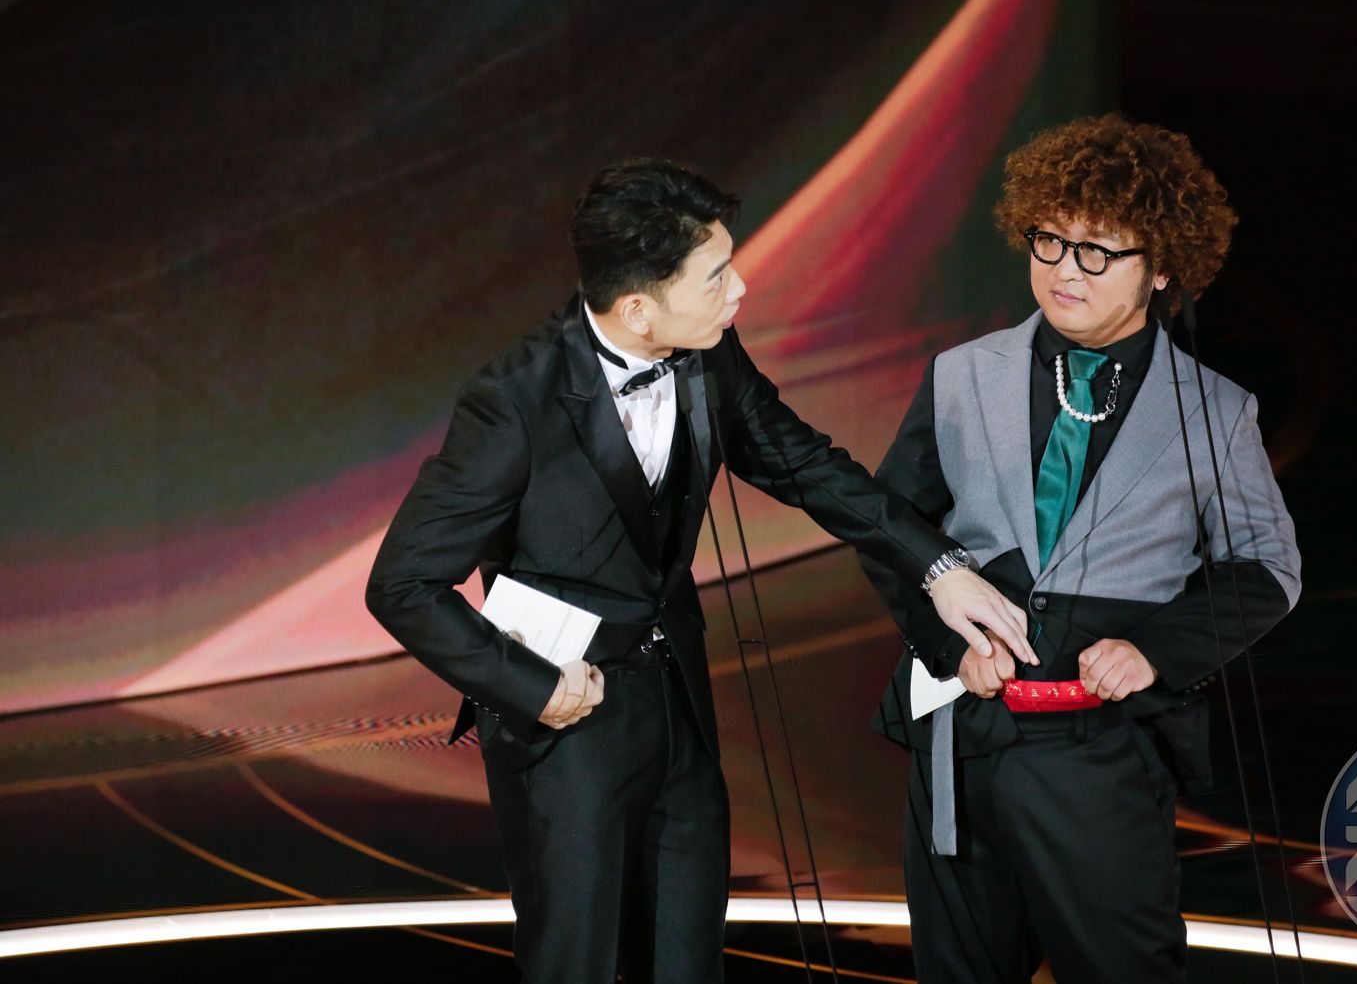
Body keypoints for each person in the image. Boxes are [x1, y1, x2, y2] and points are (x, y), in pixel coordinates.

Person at [364, 158, 1033, 983]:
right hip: (567, 722)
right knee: (576, 962)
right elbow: (402, 584)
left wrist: (938, 565)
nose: (739, 288)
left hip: (677, 705)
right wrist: (532, 686)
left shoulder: (708, 353)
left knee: (687, 960)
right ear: (637, 308)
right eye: (715, 276)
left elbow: (805, 465)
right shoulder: (516, 400)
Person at [861, 114, 1302, 983]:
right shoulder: (964, 373)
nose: (1066, 269)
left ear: (1162, 267)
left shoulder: (1216, 410)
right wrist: (949, 642)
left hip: (1102, 745)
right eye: (1051, 240)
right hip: (965, 731)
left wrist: (1153, 650)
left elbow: (1267, 568)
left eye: (1098, 251)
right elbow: (889, 526)